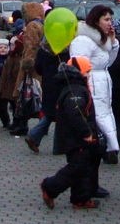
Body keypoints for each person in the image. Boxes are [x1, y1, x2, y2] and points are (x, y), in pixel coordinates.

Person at [40, 56, 104, 211]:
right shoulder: (76, 90)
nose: (89, 74)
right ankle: (50, 187)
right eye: (87, 71)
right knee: (77, 167)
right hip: (76, 137)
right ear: (79, 72)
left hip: (74, 136)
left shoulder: (74, 87)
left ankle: (80, 199)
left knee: (83, 168)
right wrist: (86, 132)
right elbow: (75, 113)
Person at [70, 4, 120, 164]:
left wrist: (113, 43)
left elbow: (107, 63)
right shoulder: (83, 40)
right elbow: (77, 65)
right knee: (96, 118)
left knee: (105, 116)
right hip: (91, 86)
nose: (109, 23)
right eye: (106, 19)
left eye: (110, 19)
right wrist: (85, 85)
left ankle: (108, 148)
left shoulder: (102, 40)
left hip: (103, 85)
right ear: (96, 20)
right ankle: (101, 147)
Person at [7, 1, 45, 138]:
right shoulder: (43, 24)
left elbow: (31, 46)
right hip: (40, 65)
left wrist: (27, 64)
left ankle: (21, 125)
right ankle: (41, 124)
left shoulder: (32, 26)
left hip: (30, 67)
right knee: (38, 95)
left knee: (23, 95)